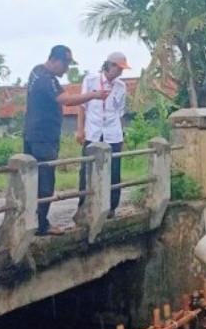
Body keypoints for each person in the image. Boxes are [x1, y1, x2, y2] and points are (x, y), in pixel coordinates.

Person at [24, 45, 109, 236]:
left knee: (32, 181)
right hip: (43, 137)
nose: (66, 69)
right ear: (53, 60)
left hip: (33, 134)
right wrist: (94, 95)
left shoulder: (36, 72)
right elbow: (67, 100)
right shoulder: (46, 78)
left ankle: (33, 222)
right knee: (45, 182)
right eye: (65, 64)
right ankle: (41, 225)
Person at [76, 52, 131, 219]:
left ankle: (111, 207)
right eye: (119, 68)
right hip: (93, 132)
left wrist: (122, 134)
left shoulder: (121, 87)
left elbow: (120, 112)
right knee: (86, 170)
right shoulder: (91, 80)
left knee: (114, 171)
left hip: (113, 134)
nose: (121, 72)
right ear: (110, 66)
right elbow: (82, 106)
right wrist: (80, 129)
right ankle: (84, 205)